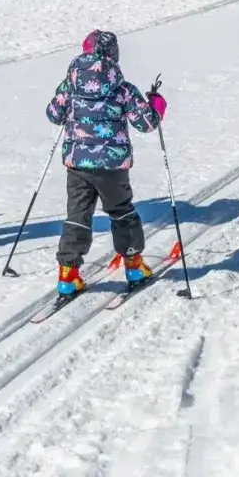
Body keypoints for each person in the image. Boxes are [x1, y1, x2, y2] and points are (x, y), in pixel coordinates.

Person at [45, 30, 166, 297]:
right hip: (112, 167)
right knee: (121, 212)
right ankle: (134, 266)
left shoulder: (70, 84)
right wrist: (156, 103)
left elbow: (53, 114)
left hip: (78, 165)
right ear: (114, 55)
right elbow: (147, 123)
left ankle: (68, 274)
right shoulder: (122, 88)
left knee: (77, 216)